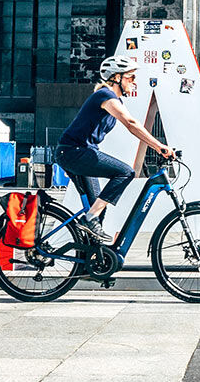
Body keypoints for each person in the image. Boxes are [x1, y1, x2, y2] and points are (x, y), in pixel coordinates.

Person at [55, 55, 174, 242]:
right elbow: (131, 123)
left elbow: (133, 123)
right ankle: (90, 219)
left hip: (79, 152)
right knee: (125, 172)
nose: (134, 82)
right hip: (74, 152)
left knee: (97, 207)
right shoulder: (105, 96)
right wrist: (159, 146)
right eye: (131, 77)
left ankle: (90, 258)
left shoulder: (113, 100)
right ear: (116, 77)